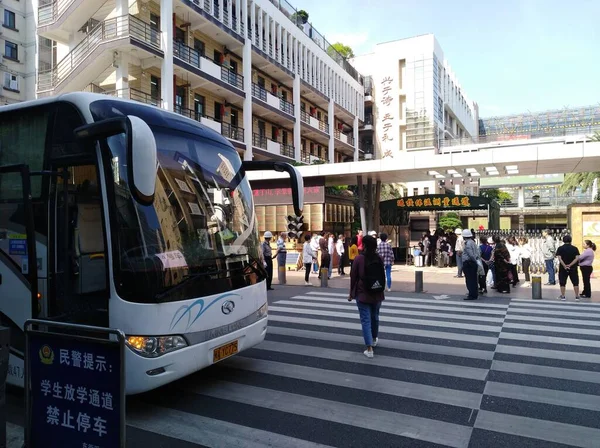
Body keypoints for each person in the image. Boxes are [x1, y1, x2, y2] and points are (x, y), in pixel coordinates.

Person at [348, 235, 385, 358]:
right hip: (377, 292)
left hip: (363, 293)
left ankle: (369, 349)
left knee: (365, 320)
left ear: (363, 245)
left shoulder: (359, 259)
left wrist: (351, 294)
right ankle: (374, 339)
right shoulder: (379, 258)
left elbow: (353, 277)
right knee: (375, 317)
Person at [556, 234, 580, 301]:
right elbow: (577, 258)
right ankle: (577, 296)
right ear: (570, 240)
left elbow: (559, 258)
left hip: (563, 268)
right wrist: (570, 265)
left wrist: (564, 265)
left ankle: (563, 296)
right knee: (575, 282)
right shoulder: (575, 248)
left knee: (562, 282)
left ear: (563, 240)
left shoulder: (560, 248)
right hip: (573, 268)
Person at [461, 229, 479, 300]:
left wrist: (474, 261)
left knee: (469, 280)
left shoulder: (467, 244)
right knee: (474, 279)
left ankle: (472, 294)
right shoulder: (472, 242)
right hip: (472, 263)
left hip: (469, 263)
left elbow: (471, 254)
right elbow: (477, 252)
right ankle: (474, 293)